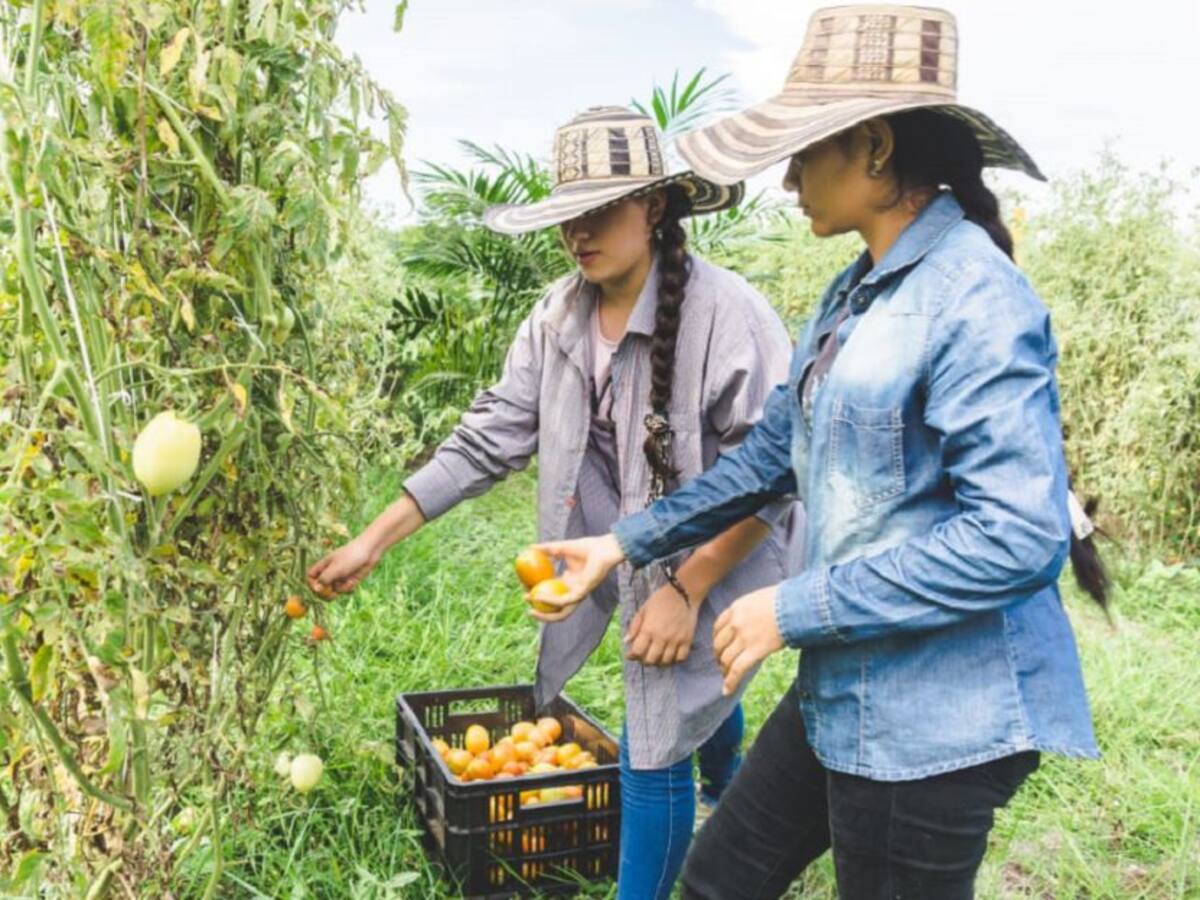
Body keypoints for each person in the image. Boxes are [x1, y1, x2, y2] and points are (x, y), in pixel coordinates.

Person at [530, 10, 1108, 899]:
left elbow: (1017, 538)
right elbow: (774, 454)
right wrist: (624, 543)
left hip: (937, 723)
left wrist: (792, 607)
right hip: (853, 680)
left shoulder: (974, 298)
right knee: (716, 883)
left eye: (804, 152)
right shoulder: (856, 295)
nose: (790, 177)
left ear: (874, 147)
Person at [307, 106, 803, 899]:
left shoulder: (728, 317)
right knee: (679, 690)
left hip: (727, 550)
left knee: (654, 739)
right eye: (568, 215)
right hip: (619, 545)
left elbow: (774, 473)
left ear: (656, 205)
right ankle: (724, 765)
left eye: (600, 209)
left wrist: (689, 589)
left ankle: (686, 798)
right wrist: (374, 540)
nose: (580, 231)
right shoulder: (558, 317)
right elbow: (485, 439)